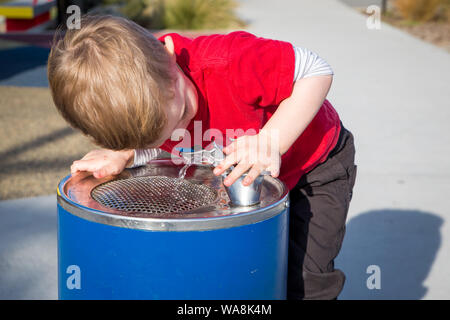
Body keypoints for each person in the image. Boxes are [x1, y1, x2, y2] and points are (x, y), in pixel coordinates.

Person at [47, 14, 357, 299]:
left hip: (314, 167)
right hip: (249, 177)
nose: (180, 129)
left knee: (305, 277)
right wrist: (126, 154)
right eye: (163, 135)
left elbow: (316, 70)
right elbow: (158, 139)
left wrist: (270, 141)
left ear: (169, 58)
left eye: (182, 113)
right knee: (247, 265)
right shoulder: (156, 92)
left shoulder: (228, 60)